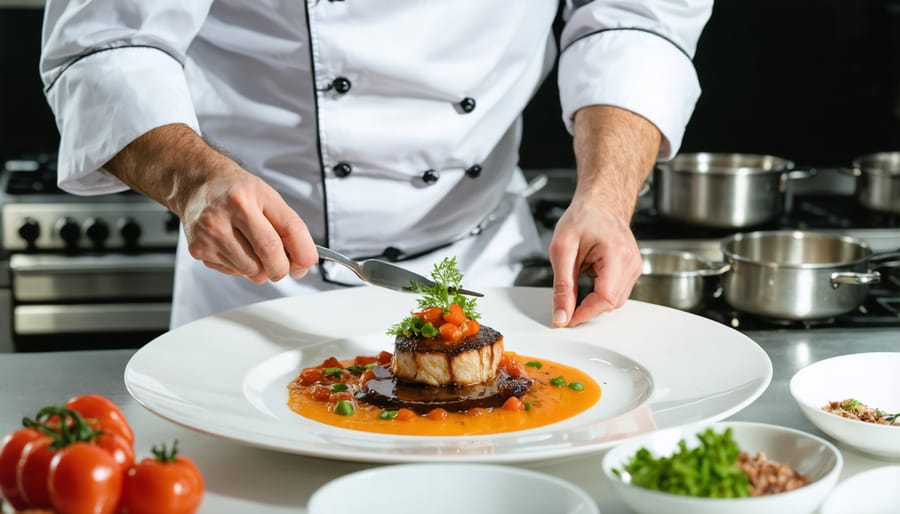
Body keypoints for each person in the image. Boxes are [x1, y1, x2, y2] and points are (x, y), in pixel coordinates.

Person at [39, 1, 713, 329]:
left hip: (486, 278)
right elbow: (105, 43)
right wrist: (195, 179)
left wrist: (606, 195)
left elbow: (635, 17)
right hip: (256, 279)